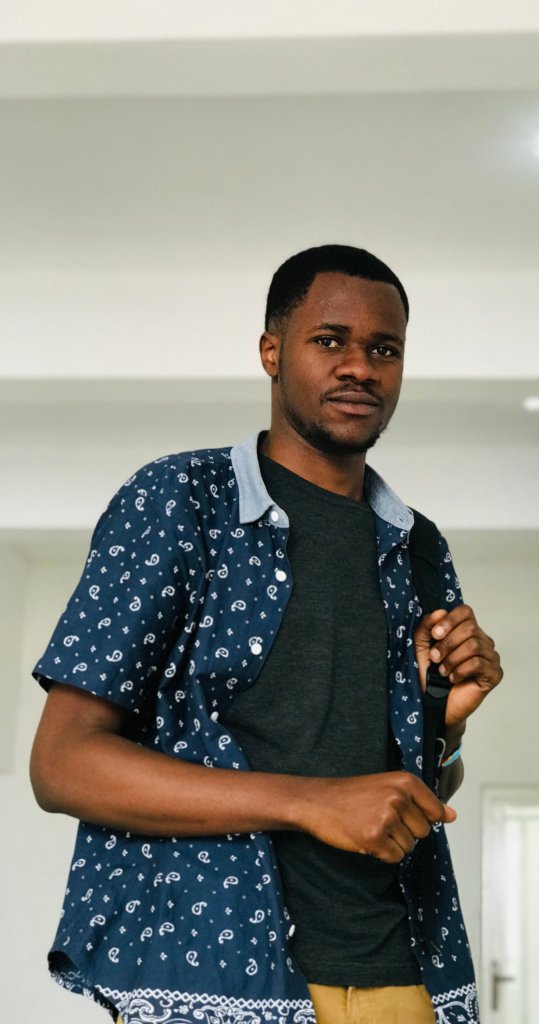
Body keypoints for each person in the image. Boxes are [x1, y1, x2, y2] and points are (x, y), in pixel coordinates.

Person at [30, 244, 503, 1024]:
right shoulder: (179, 501)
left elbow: (407, 792)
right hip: (210, 978)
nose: (360, 367)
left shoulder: (419, 548)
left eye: (384, 349)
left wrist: (444, 730)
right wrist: (311, 802)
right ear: (272, 352)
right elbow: (62, 764)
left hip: (401, 974)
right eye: (331, 340)